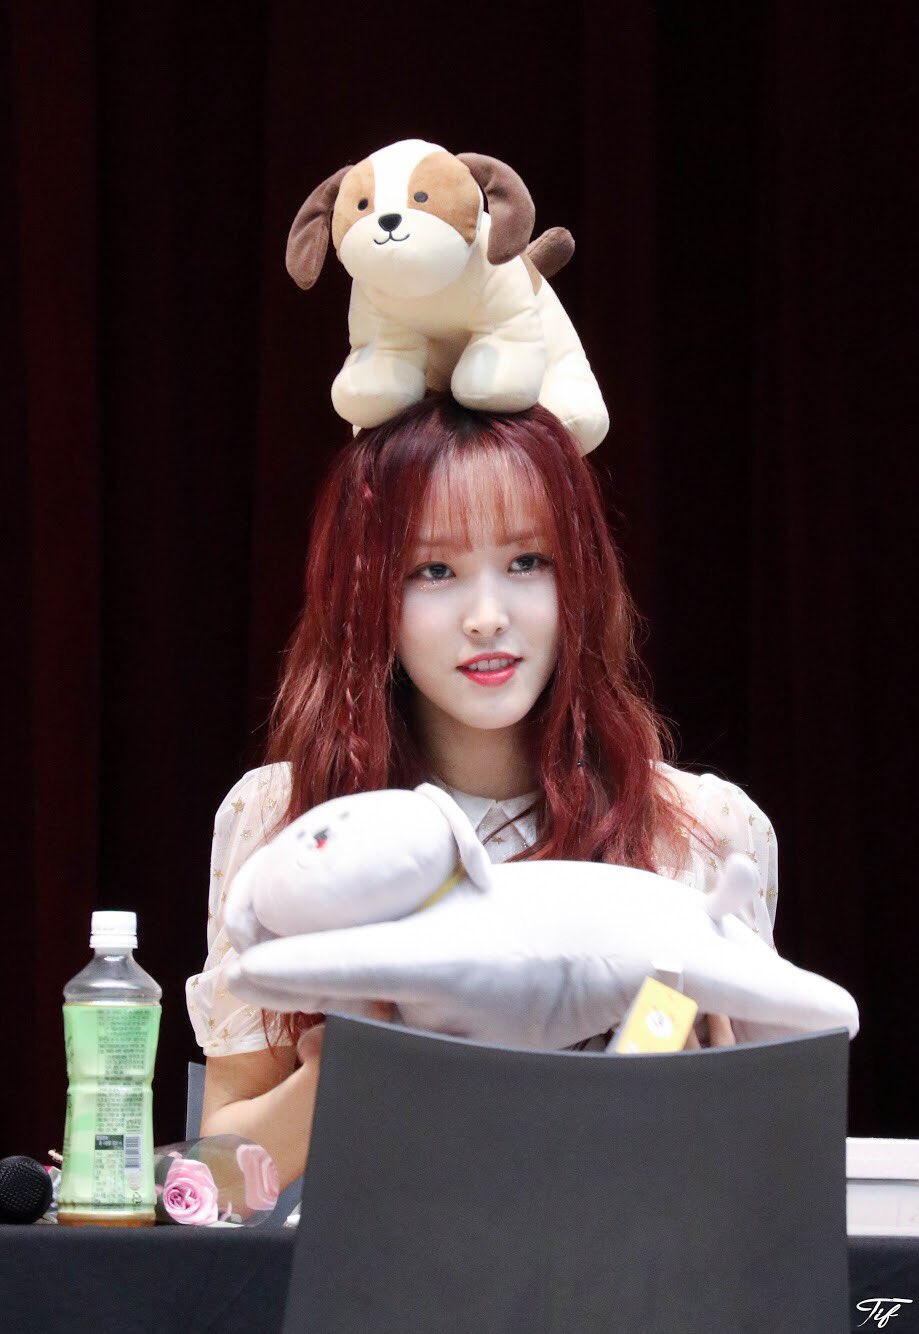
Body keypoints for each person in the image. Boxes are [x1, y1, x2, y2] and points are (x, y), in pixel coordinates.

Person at [186, 395, 777, 1190]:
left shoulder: (702, 828)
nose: (487, 617)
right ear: (365, 592)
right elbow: (218, 1180)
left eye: (527, 561)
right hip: (377, 1261)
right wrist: (359, 1061)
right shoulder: (294, 823)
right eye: (435, 571)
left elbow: (772, 1169)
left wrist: (679, 1058)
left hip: (626, 1262)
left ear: (581, 575)